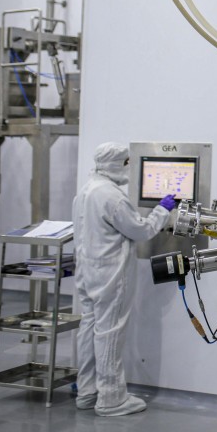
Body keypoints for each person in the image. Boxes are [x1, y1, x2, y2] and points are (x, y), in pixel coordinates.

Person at [72, 142, 177, 416]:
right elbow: (140, 230)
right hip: (110, 276)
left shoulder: (86, 191)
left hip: (87, 273)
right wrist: (163, 209)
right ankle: (111, 399)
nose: (129, 167)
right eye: (126, 162)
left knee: (89, 329)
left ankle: (87, 391)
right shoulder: (111, 196)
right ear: (115, 163)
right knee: (109, 332)